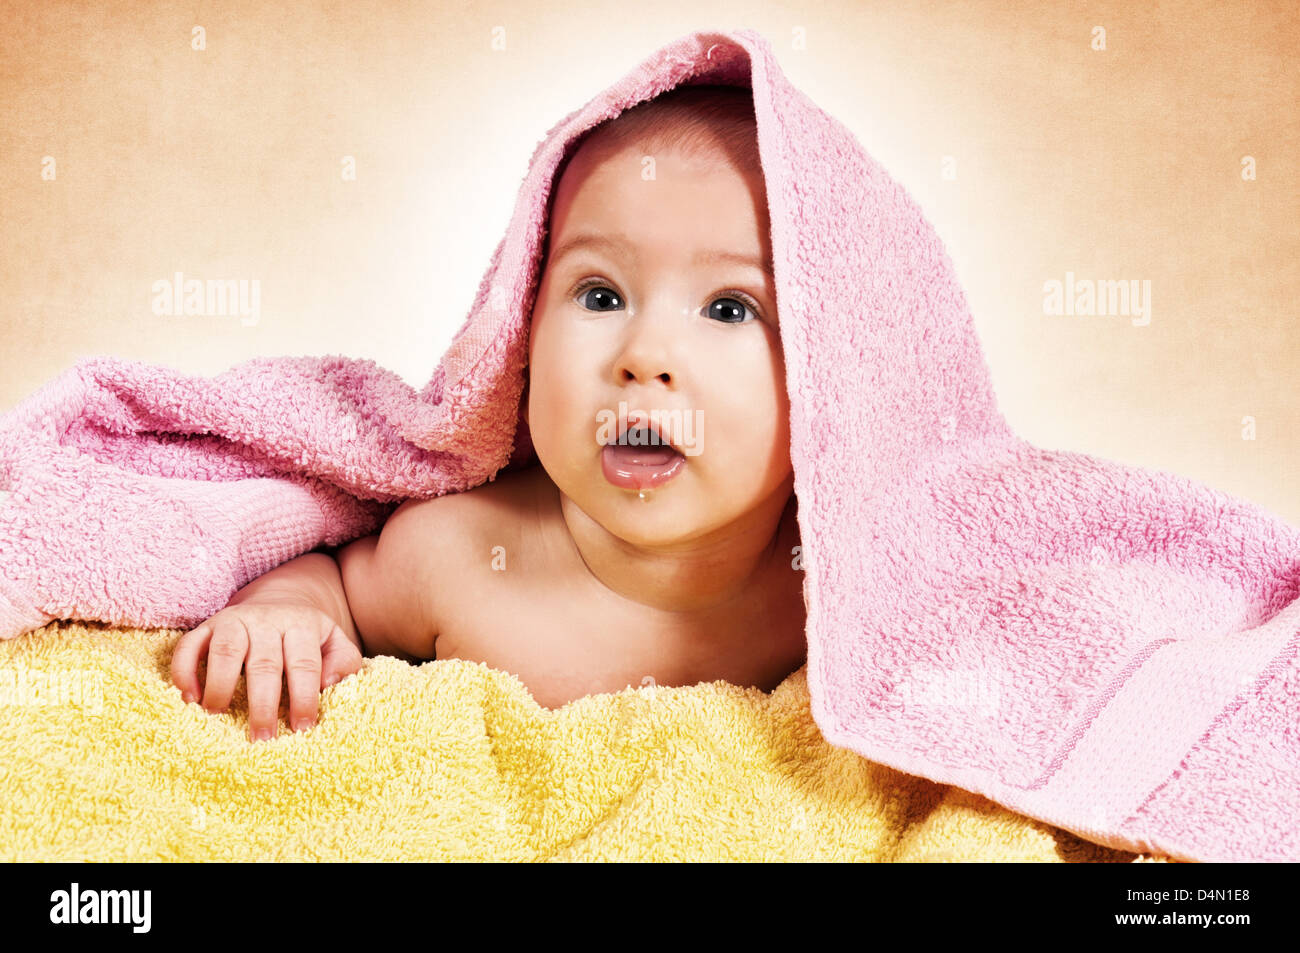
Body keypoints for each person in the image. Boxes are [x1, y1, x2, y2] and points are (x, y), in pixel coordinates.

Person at [170, 85, 807, 741]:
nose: (644, 357)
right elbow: (336, 583)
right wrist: (289, 609)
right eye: (599, 295)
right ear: (521, 335)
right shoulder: (461, 556)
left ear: (829, 370)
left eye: (729, 308)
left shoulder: (829, 592)